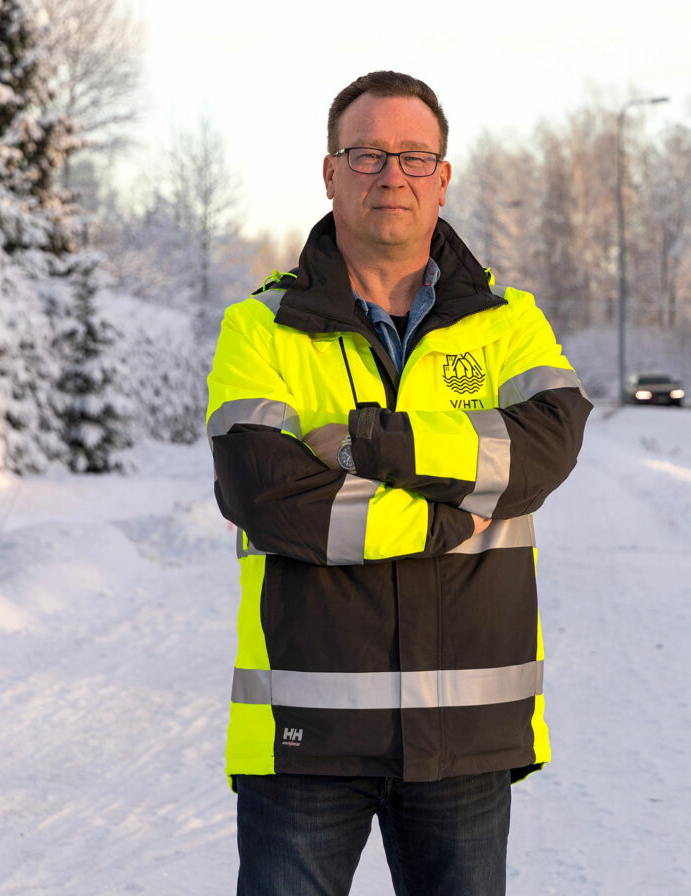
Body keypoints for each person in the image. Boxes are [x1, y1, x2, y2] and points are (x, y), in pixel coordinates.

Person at [205, 70, 591, 896]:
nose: (392, 175)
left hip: (467, 737)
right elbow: (265, 495)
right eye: (368, 152)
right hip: (305, 734)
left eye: (415, 156)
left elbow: (549, 444)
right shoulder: (258, 328)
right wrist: (449, 516)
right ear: (330, 171)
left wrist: (372, 445)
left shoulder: (508, 323)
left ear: (444, 177)